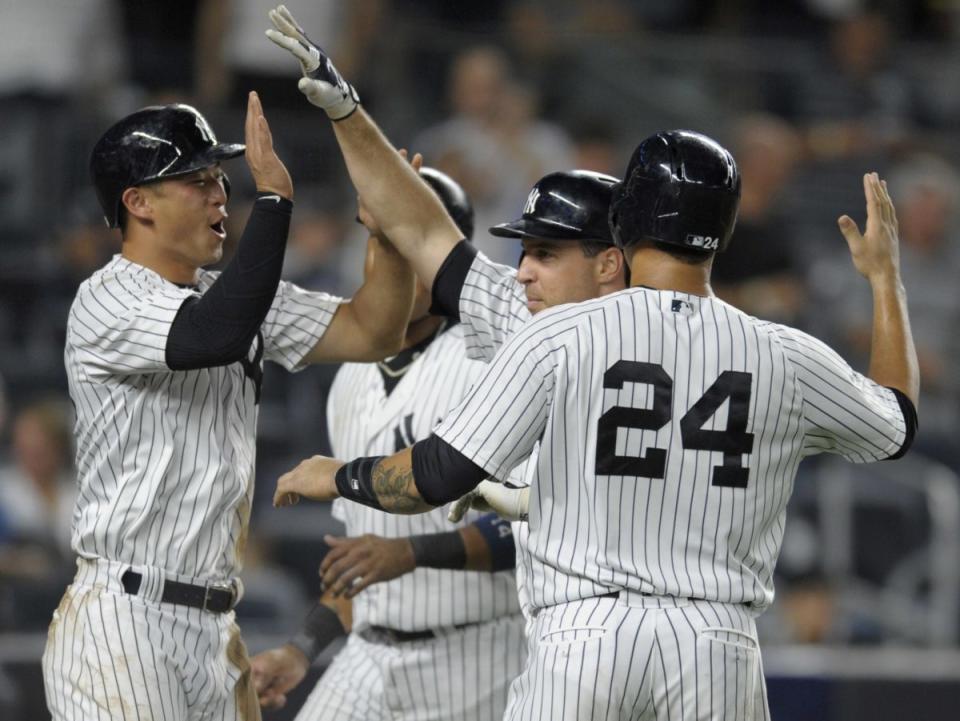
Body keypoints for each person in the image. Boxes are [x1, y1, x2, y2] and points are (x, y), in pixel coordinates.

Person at [265, 16, 919, 717]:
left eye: (544, 255)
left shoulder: (559, 334)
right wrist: (886, 281)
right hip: (717, 642)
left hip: (584, 636)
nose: (525, 273)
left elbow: (435, 462)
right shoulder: (784, 351)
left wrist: (345, 110)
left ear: (625, 226)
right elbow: (897, 423)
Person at [42, 92, 415, 721]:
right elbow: (208, 335)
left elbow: (372, 331)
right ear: (138, 203)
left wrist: (394, 237)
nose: (221, 194)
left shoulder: (233, 297)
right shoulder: (105, 299)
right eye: (196, 181)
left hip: (214, 625)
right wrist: (274, 200)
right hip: (125, 618)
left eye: (221, 178)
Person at [250, 168, 527, 719]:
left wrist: (409, 553)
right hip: (368, 654)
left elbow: (533, 524)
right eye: (381, 244)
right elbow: (362, 555)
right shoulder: (350, 375)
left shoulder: (493, 362)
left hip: (475, 655)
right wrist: (302, 649)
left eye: (408, 246)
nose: (391, 263)